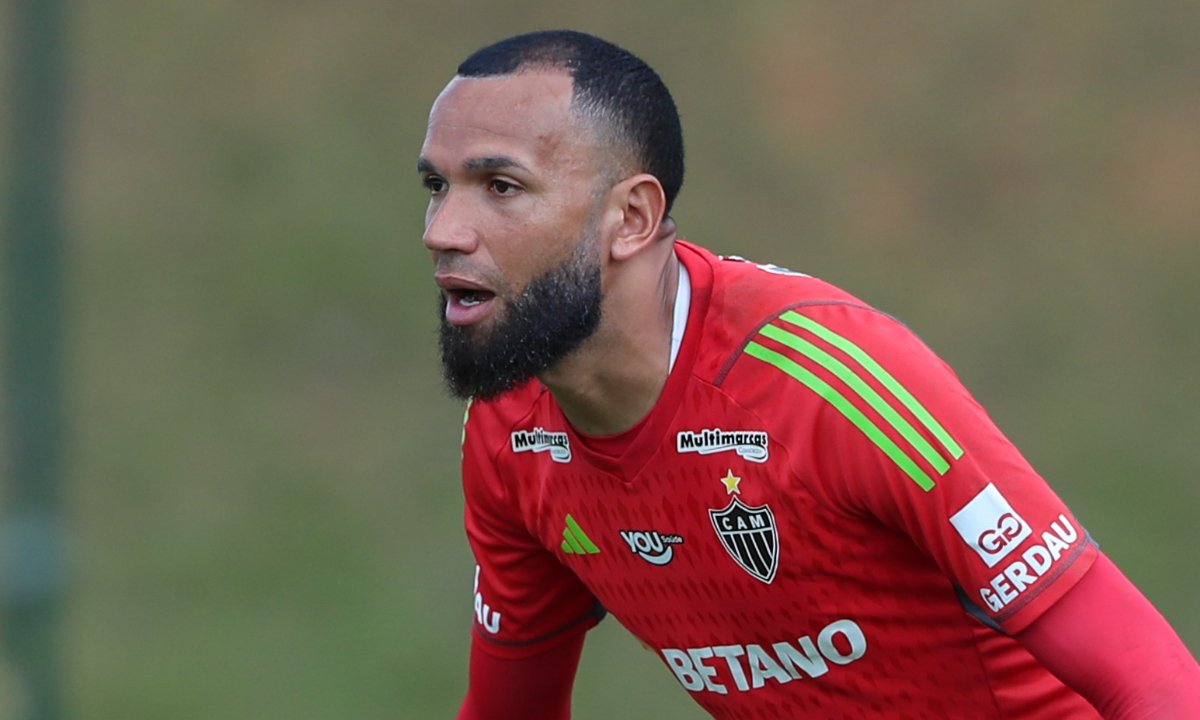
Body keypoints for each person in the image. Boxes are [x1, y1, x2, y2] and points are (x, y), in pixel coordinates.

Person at [417, 29, 1200, 719]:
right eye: (436, 187)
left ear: (631, 219)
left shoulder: (829, 383)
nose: (442, 231)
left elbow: (1160, 688)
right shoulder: (510, 435)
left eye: (501, 187)